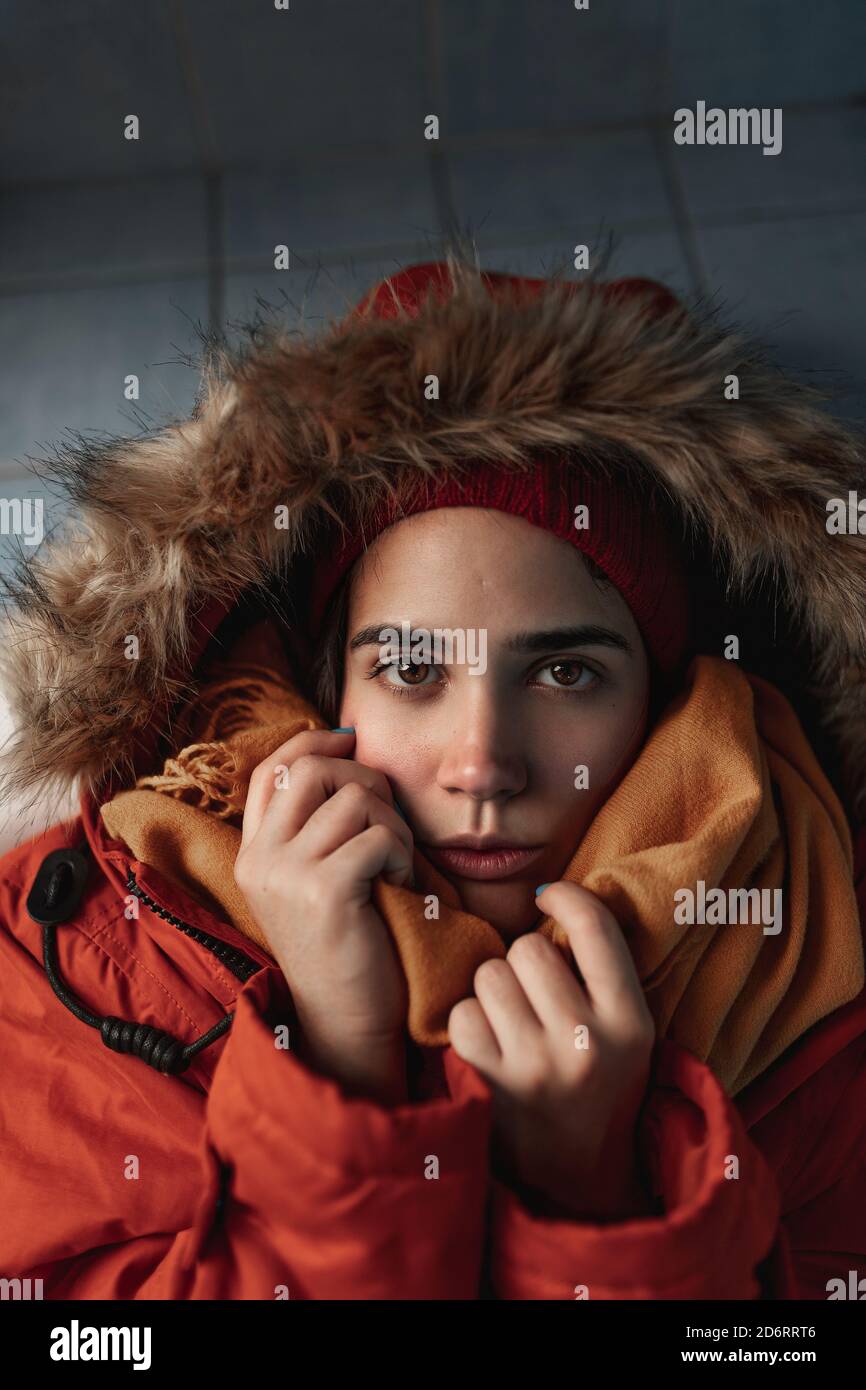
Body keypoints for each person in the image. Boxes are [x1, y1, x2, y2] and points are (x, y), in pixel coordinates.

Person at [0, 253, 865, 1300]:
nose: (481, 765)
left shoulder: (816, 967)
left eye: (563, 670)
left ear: (668, 701)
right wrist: (340, 1068)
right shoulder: (88, 933)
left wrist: (590, 1188)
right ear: (329, 688)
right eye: (410, 668)